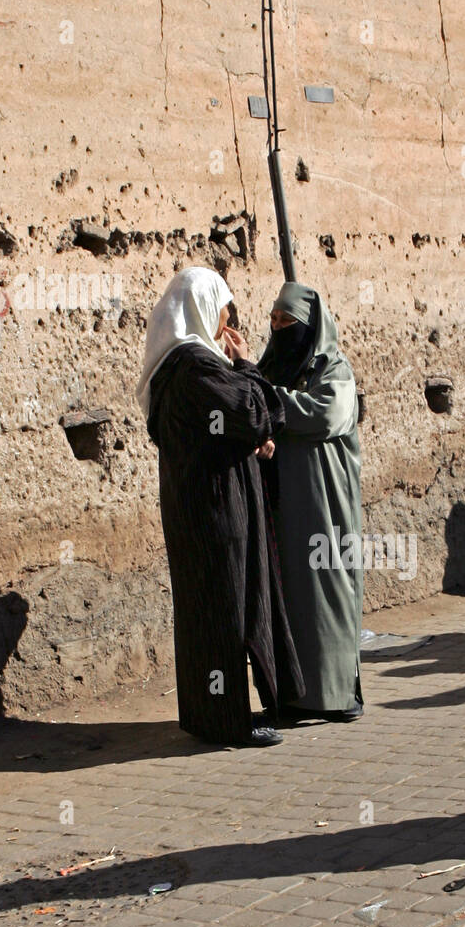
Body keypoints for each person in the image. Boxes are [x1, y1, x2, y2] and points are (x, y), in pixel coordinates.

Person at [136, 267, 305, 747]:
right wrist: (248, 366)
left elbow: (234, 426)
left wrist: (250, 440)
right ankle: (226, 720)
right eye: (224, 320)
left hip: (199, 506)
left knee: (208, 612)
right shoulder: (194, 366)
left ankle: (212, 714)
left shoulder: (176, 369)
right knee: (225, 611)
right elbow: (259, 411)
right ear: (202, 312)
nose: (228, 334)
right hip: (215, 512)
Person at [238, 281, 363, 722]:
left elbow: (324, 413)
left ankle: (334, 696)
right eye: (273, 320)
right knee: (286, 594)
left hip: (322, 505)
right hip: (278, 506)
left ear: (309, 328)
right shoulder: (271, 368)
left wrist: (268, 400)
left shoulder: (334, 369)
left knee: (326, 592)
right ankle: (290, 697)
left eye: (287, 322)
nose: (278, 328)